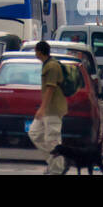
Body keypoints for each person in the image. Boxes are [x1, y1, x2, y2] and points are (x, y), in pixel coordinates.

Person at [28, 40, 68, 174]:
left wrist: (42, 108)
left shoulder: (52, 66)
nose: (35, 54)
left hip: (53, 109)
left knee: (52, 140)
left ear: (39, 51)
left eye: (35, 51)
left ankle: (57, 169)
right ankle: (54, 162)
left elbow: (50, 88)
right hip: (47, 110)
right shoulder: (47, 65)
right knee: (34, 133)